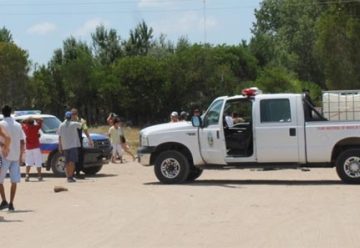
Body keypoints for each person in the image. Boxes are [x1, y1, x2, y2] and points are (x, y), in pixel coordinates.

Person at [0, 105, 25, 211]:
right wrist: (20, 156)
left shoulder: (1, 124)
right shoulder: (18, 125)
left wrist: (4, 146)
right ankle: (11, 203)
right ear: (11, 112)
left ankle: (4, 200)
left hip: (3, 156)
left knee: (0, 181)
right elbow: (22, 141)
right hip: (15, 156)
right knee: (13, 181)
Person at [58, 111, 82, 183]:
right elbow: (81, 125)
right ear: (71, 117)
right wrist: (78, 119)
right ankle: (70, 177)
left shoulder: (61, 125)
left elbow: (59, 136)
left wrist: (60, 146)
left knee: (67, 162)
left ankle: (68, 176)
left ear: (65, 117)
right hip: (73, 146)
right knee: (72, 162)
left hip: (65, 146)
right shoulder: (74, 124)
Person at [71, 108, 93, 179]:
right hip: (71, 141)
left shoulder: (81, 121)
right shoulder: (69, 121)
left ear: (77, 114)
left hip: (79, 141)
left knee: (80, 157)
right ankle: (71, 173)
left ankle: (78, 172)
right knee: (72, 158)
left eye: (74, 114)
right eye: (72, 114)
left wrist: (90, 139)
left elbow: (85, 130)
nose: (73, 116)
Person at [22, 116, 43, 182]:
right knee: (38, 162)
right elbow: (41, 120)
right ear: (33, 122)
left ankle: (27, 175)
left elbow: (22, 121)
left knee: (28, 162)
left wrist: (28, 118)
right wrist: (35, 118)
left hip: (28, 147)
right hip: (36, 147)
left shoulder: (25, 128)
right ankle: (39, 176)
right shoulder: (36, 127)